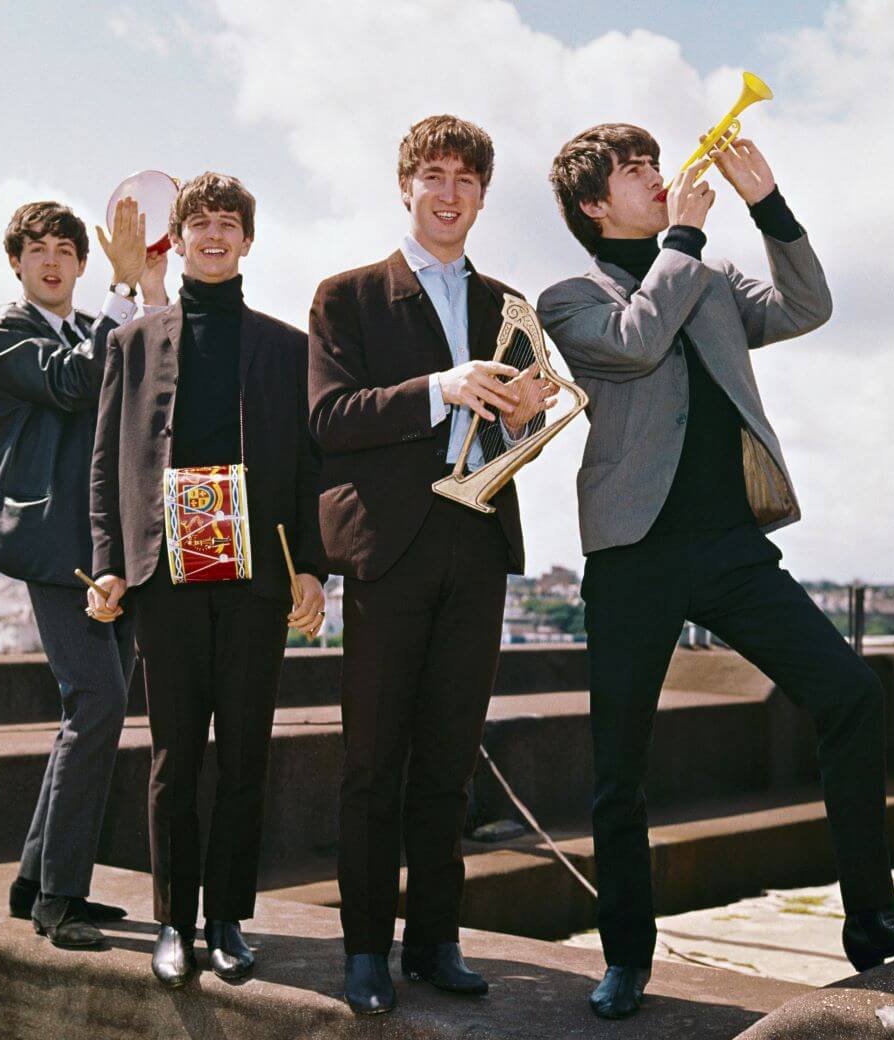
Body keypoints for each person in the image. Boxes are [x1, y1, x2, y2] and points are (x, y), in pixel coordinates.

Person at [537, 123, 894, 1020]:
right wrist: (684, 240)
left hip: (729, 545)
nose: (661, 178)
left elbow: (804, 308)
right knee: (617, 767)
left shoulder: (705, 276)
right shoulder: (567, 299)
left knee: (848, 692)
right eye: (637, 173)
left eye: (654, 164)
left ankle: (872, 918)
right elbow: (634, 343)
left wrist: (769, 207)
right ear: (595, 206)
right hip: (631, 554)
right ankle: (627, 955)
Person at [307, 115, 555, 1015]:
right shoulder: (346, 297)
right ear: (406, 185)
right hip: (391, 552)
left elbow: (520, 431)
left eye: (466, 180)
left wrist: (528, 416)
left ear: (484, 195)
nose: (449, 193)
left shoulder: (508, 303)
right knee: (372, 764)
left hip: (477, 545)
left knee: (449, 761)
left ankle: (435, 944)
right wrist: (435, 392)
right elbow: (329, 419)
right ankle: (365, 950)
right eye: (434, 176)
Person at [87, 172, 326, 987]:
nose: (215, 235)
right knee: (173, 759)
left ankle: (227, 922)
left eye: (230, 224)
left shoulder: (288, 347)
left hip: (256, 579)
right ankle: (172, 924)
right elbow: (104, 464)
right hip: (165, 577)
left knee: (246, 757)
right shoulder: (131, 341)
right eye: (201, 223)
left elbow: (308, 468)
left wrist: (315, 571)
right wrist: (111, 561)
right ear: (178, 239)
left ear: (248, 241)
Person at [0, 197, 162, 948]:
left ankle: (32, 881)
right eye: (36, 249)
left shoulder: (98, 327)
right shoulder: (3, 335)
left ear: (80, 263)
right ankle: (60, 898)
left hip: (109, 547)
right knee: (98, 703)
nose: (51, 260)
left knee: (88, 712)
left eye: (65, 249)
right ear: (16, 263)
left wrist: (149, 291)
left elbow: (153, 381)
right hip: (53, 545)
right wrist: (121, 293)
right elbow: (72, 382)